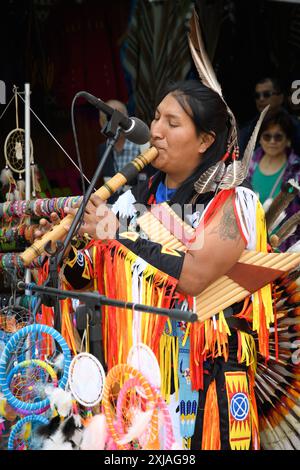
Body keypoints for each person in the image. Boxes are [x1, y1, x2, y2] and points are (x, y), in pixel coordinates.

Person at [56, 79, 272, 450]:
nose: (155, 132)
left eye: (172, 123)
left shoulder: (235, 204)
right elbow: (85, 280)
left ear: (204, 140)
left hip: (207, 382)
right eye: (155, 118)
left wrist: (117, 236)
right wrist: (67, 244)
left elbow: (194, 276)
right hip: (138, 379)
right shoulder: (131, 201)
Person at [248, 108, 300, 251]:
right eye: (267, 136)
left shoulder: (297, 170)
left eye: (278, 137)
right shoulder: (248, 164)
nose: (272, 141)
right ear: (259, 138)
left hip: (283, 249)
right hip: (248, 242)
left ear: (288, 139)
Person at [97, 99, 155, 203]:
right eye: (109, 117)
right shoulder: (103, 149)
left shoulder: (144, 146)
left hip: (143, 211)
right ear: (101, 123)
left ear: (127, 119)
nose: (115, 122)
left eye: (119, 116)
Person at [239, 77, 300, 156]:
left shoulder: (296, 126)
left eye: (266, 94)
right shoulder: (247, 129)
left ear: (281, 97)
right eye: (257, 96)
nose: (261, 99)